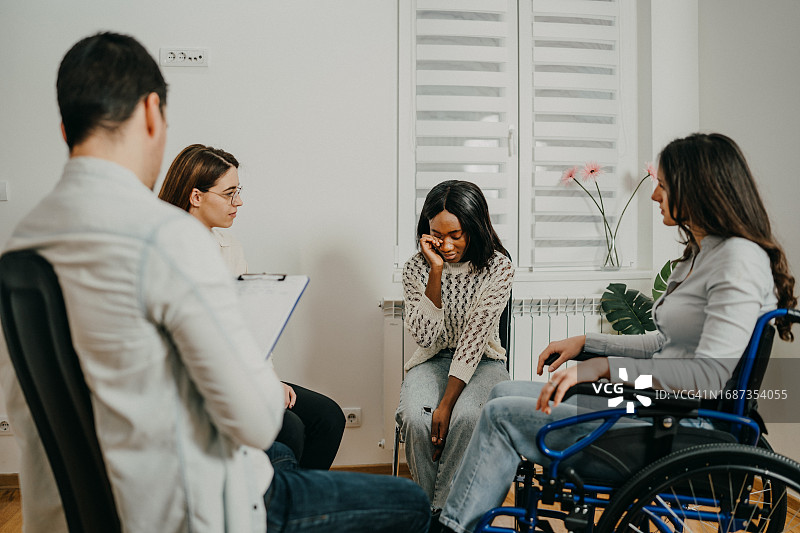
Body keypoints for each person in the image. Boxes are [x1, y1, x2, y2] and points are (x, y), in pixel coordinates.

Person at [0, 32, 430, 533]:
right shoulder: (168, 239)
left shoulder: (22, 250)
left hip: (75, 517)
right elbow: (253, 419)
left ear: (64, 128)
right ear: (151, 112)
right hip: (195, 511)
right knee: (409, 503)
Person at [433, 132, 797, 533]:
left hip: (676, 425)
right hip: (657, 407)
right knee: (502, 393)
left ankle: (452, 527)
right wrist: (587, 344)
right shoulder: (704, 254)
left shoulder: (738, 260)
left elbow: (707, 377)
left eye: (663, 184)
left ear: (697, 187)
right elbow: (666, 345)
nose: (655, 195)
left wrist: (604, 368)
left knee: (503, 416)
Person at [158, 143, 346, 470]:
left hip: (242, 372)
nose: (239, 202)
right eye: (230, 193)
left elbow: (252, 327)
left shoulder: (230, 247)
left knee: (327, 416)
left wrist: (268, 378)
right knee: (290, 428)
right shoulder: (165, 252)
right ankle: (275, 509)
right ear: (196, 196)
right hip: (198, 384)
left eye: (238, 191)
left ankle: (300, 506)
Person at [396, 180, 514, 510]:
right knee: (417, 419)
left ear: (475, 227)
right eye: (437, 234)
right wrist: (435, 271)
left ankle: (437, 517)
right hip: (432, 360)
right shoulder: (414, 268)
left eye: (455, 234)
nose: (445, 245)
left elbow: (474, 340)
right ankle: (441, 514)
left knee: (467, 418)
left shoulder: (498, 267)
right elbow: (423, 337)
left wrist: (446, 405)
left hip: (484, 362)